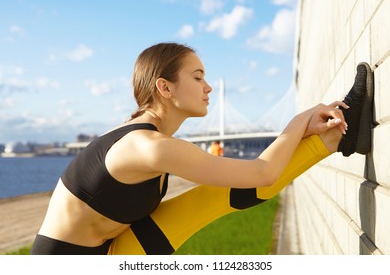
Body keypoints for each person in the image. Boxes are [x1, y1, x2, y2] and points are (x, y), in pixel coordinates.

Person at [31, 42, 374, 255]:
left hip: (109, 250)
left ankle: (339, 136)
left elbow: (255, 175)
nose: (208, 87)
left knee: (215, 195)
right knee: (230, 189)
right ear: (164, 87)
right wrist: (300, 120)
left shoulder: (145, 136)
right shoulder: (147, 146)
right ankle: (338, 136)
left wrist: (303, 131)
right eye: (197, 77)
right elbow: (262, 172)